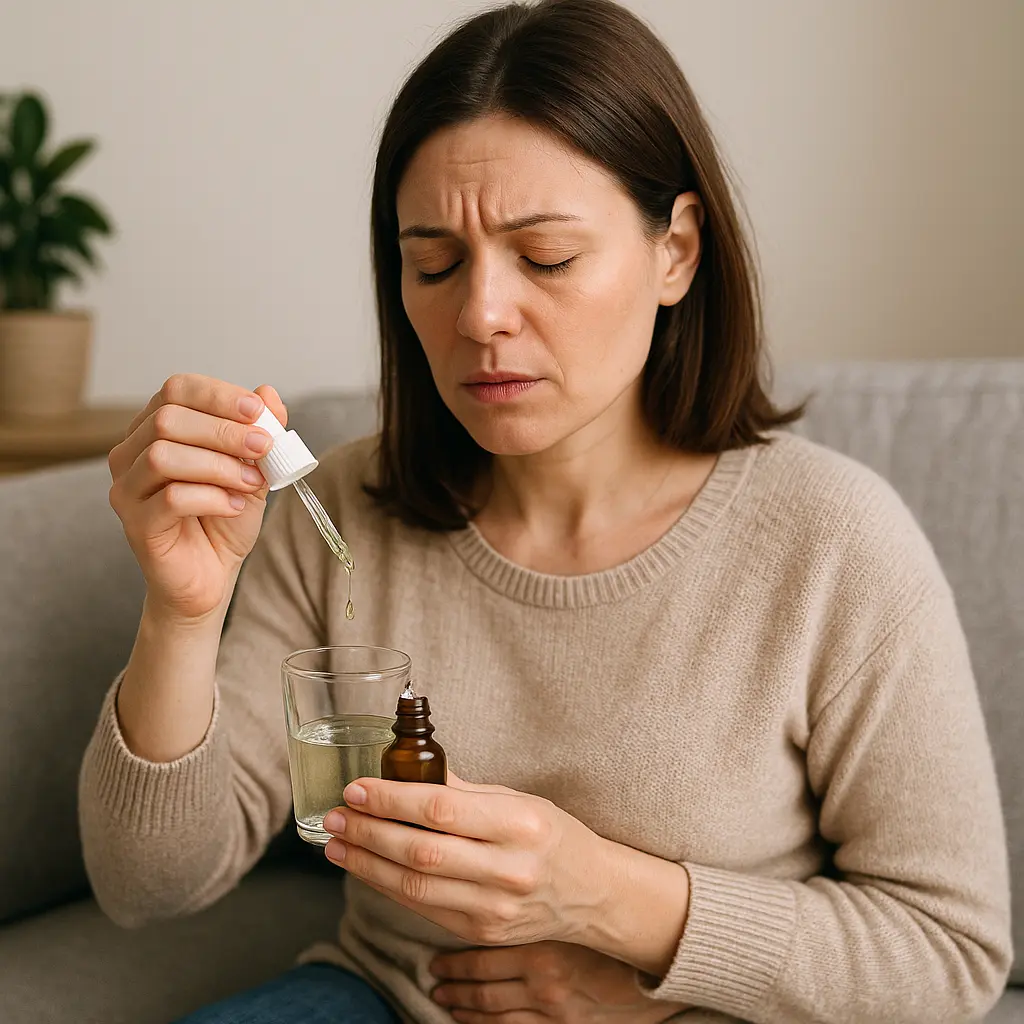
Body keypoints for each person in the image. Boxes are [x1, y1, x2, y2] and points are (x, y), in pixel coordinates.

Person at [80, 1, 1012, 1022]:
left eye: (547, 258)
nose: (479, 314)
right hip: (384, 998)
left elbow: (951, 954)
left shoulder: (834, 542)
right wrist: (180, 609)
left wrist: (611, 904)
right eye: (432, 263)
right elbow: (147, 885)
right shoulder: (336, 512)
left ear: (676, 252)